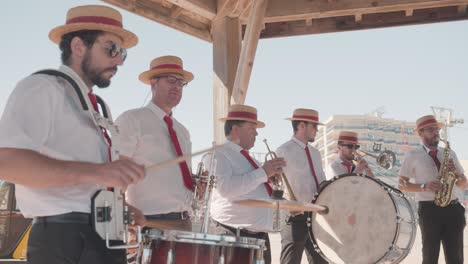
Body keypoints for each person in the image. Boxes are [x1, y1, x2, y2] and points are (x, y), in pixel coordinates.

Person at [0, 5, 145, 264]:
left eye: (122, 53)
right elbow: (6, 163)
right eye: (111, 49)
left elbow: (87, 187)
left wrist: (120, 208)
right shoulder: (41, 87)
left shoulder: (98, 106)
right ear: (78, 46)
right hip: (62, 239)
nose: (120, 60)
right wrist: (97, 172)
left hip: (103, 236)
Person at [115, 55, 195, 231]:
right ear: (153, 82)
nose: (177, 86)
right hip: (147, 222)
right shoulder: (131, 119)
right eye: (171, 80)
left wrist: (196, 185)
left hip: (184, 222)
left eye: (181, 82)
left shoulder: (183, 131)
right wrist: (122, 211)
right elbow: (115, 169)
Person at [208, 104, 286, 264]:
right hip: (231, 236)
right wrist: (263, 173)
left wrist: (271, 180)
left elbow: (252, 186)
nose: (256, 133)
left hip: (259, 239)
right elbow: (226, 189)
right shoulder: (218, 154)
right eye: (252, 128)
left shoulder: (253, 162)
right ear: (236, 129)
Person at [399, 115, 467, 264]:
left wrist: (455, 172)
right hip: (430, 210)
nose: (436, 133)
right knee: (430, 258)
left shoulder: (450, 153)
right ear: (421, 133)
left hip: (454, 209)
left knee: (456, 259)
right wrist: (424, 187)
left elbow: (463, 184)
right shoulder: (412, 155)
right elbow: (402, 184)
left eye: (437, 129)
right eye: (431, 130)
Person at [276, 108, 328, 264]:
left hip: (315, 217)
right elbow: (276, 183)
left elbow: (321, 181)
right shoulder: (283, 150)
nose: (317, 130)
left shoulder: (316, 153)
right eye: (314, 126)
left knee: (322, 261)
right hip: (293, 216)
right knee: (290, 261)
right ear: (301, 126)